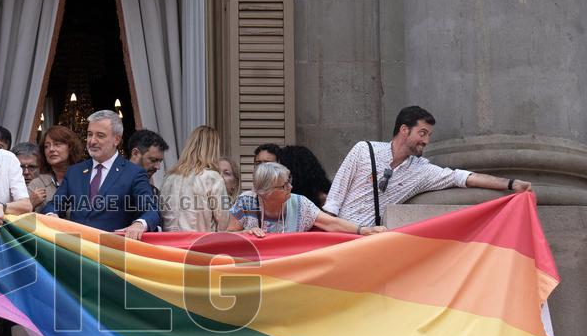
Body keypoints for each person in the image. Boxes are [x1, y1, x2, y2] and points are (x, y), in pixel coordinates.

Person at [324, 106, 532, 226]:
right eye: (422, 133)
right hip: (339, 238)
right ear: (404, 130)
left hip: (367, 245)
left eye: (429, 135)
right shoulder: (363, 150)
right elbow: (333, 202)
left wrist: (511, 184)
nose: (426, 141)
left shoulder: (422, 170)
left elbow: (461, 178)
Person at [43, 110, 160, 239]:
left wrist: (139, 224)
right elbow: (54, 204)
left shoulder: (133, 173)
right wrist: (51, 215)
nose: (92, 141)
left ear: (116, 139)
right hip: (77, 252)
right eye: (89, 134)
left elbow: (151, 210)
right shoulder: (74, 172)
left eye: (100, 135)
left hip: (113, 251)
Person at [228, 162, 383, 237]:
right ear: (265, 192)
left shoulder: (301, 204)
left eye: (289, 181)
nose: (290, 187)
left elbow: (331, 223)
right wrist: (246, 233)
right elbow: (226, 235)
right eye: (283, 186)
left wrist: (363, 230)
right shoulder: (246, 202)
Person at [160, 126, 231, 232]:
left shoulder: (169, 177)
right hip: (198, 244)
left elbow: (162, 214)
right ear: (213, 149)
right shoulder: (212, 178)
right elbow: (223, 222)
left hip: (169, 244)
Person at [27, 125, 86, 212]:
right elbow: (23, 219)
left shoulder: (85, 178)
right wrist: (30, 205)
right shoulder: (37, 184)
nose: (51, 149)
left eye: (57, 144)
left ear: (70, 147)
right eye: (46, 146)